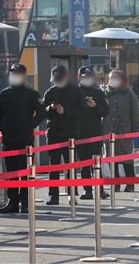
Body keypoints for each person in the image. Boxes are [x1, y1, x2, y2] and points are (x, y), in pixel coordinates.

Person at [0, 64, 46, 213]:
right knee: (11, 173)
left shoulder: (31, 94)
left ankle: (25, 202)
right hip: (8, 139)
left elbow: (42, 112)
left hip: (25, 140)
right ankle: (12, 202)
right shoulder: (4, 94)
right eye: (13, 73)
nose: (15, 76)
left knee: (25, 173)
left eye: (18, 73)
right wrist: (1, 125)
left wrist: (29, 124)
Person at [43, 65, 85, 205]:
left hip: (70, 133)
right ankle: (53, 195)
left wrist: (64, 111)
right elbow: (44, 110)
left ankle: (72, 194)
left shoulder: (76, 91)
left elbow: (81, 111)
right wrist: (51, 108)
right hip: (54, 133)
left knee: (70, 166)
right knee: (53, 167)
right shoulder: (50, 92)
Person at [103, 70, 139, 192]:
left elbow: (135, 112)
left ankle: (130, 183)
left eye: (116, 77)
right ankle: (116, 183)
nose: (113, 80)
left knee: (127, 158)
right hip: (109, 130)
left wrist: (134, 129)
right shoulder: (104, 93)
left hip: (125, 130)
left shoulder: (129, 94)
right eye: (111, 78)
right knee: (111, 157)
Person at [76, 66, 109, 199]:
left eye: (89, 77)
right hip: (79, 132)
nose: (86, 80)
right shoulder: (74, 92)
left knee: (96, 161)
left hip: (95, 132)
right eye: (84, 77)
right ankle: (87, 190)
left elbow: (105, 111)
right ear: (78, 77)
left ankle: (100, 189)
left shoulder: (98, 93)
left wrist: (95, 106)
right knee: (83, 162)